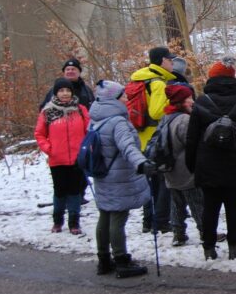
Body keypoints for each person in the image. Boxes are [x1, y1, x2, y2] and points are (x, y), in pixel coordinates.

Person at [186, 57, 236, 260]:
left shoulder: (201, 102)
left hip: (207, 163)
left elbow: (192, 137)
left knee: (210, 207)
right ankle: (234, 245)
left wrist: (192, 164)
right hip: (234, 160)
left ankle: (209, 247)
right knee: (233, 206)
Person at [87, 80, 153, 278]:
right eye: (123, 95)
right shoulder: (118, 121)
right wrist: (141, 163)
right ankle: (121, 260)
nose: (126, 98)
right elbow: (128, 147)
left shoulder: (95, 118)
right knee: (117, 217)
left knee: (105, 215)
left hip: (103, 174)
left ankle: (104, 260)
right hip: (119, 178)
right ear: (114, 99)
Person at [131, 46, 177, 234]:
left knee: (150, 184)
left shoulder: (142, 79)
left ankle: (148, 221)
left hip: (142, 139)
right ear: (161, 61)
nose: (172, 63)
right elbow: (156, 112)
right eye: (170, 59)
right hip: (156, 141)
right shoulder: (157, 84)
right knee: (161, 184)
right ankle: (160, 222)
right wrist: (172, 103)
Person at [34, 77, 90, 234]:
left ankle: (74, 223)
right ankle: (57, 221)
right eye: (61, 91)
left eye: (67, 90)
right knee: (59, 192)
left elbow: (89, 131)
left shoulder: (80, 110)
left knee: (75, 192)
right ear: (56, 93)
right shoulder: (47, 112)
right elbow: (39, 134)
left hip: (77, 159)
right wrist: (49, 149)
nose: (65, 93)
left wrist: (86, 150)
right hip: (57, 159)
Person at [160, 84, 204, 248]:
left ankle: (178, 233)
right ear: (182, 101)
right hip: (185, 169)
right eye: (189, 98)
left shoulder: (166, 117)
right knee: (196, 201)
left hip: (169, 168)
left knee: (176, 202)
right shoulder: (184, 120)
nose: (192, 101)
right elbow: (191, 142)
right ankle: (205, 231)